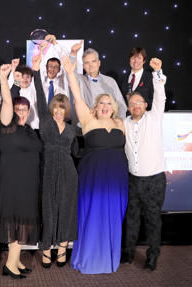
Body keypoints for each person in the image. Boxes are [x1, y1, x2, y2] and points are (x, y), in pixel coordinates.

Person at [62, 56, 129, 274]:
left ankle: (109, 259)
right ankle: (89, 259)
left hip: (117, 178)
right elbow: (78, 97)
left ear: (114, 106)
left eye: (109, 103)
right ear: (96, 106)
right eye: (102, 103)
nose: (105, 106)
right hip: (93, 178)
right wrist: (71, 72)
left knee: (114, 217)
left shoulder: (120, 123)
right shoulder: (88, 121)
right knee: (92, 215)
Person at [0, 64, 42, 279]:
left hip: (28, 183)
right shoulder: (7, 125)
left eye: (25, 109)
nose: (21, 112)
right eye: (18, 108)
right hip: (12, 183)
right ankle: (10, 265)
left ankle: (16, 260)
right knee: (15, 219)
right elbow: (6, 100)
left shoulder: (28, 130)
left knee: (23, 219)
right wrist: (4, 79)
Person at [32, 54, 78, 268]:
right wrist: (34, 70)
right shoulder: (45, 120)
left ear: (66, 110)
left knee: (66, 209)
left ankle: (62, 247)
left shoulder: (71, 129)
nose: (59, 111)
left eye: (62, 108)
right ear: (52, 108)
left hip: (69, 173)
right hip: (48, 170)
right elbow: (41, 96)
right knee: (49, 209)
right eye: (56, 107)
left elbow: (76, 153)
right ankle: (47, 248)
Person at [121, 58, 167, 271]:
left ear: (146, 105)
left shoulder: (154, 116)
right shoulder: (124, 123)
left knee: (153, 221)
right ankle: (128, 253)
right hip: (132, 179)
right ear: (128, 107)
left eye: (139, 102)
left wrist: (157, 73)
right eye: (132, 103)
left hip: (155, 180)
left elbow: (160, 95)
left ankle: (152, 257)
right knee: (131, 219)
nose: (135, 106)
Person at [77, 48, 127, 118]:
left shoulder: (110, 81)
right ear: (83, 66)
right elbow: (69, 74)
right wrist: (73, 54)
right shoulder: (79, 80)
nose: (90, 65)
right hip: (86, 124)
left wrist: (118, 123)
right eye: (87, 62)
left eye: (93, 61)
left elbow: (121, 105)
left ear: (99, 63)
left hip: (108, 124)